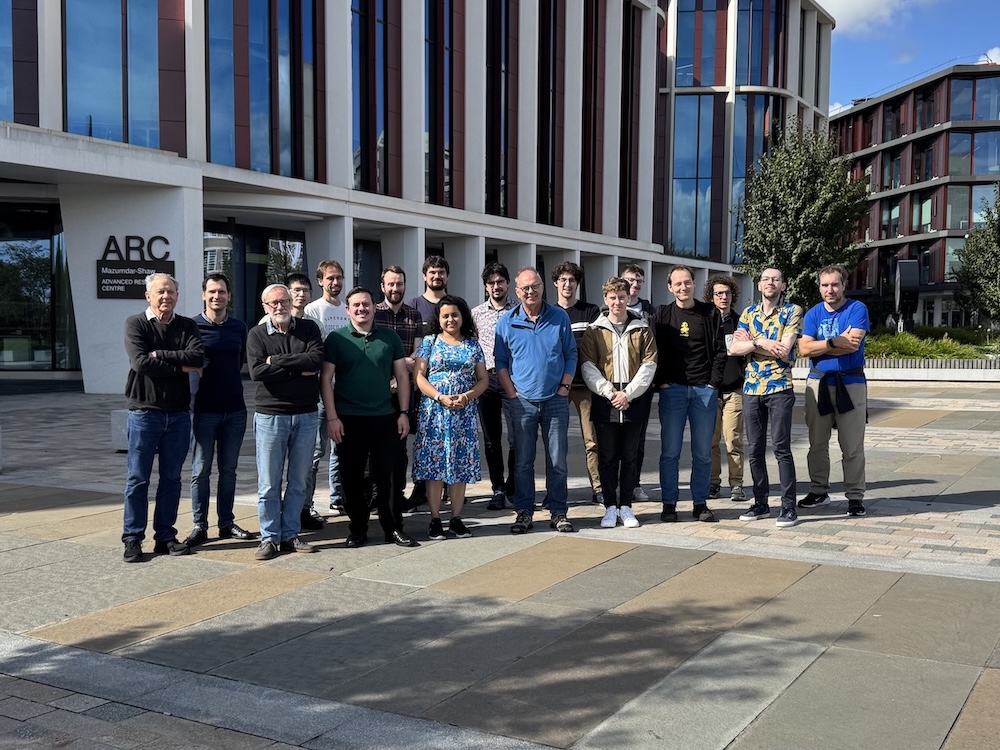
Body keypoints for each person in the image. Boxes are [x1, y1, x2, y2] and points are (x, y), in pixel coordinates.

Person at [321, 287, 417, 548]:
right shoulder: (336, 339)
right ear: (348, 309)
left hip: (386, 417)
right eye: (356, 305)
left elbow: (402, 377)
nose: (361, 309)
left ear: (374, 307)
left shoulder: (390, 338)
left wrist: (404, 413)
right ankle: (358, 528)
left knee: (389, 476)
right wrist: (332, 418)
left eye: (366, 304)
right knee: (351, 478)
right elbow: (326, 379)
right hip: (348, 420)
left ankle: (393, 527)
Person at [121, 273, 204, 563]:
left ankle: (165, 536)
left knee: (171, 479)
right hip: (145, 412)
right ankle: (132, 538)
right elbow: (140, 363)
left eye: (170, 291)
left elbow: (197, 357)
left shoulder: (187, 325)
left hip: (179, 414)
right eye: (160, 292)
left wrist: (162, 356)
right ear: (148, 296)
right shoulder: (136, 323)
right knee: (138, 479)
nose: (165, 296)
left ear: (177, 296)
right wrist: (179, 368)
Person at [495, 267, 578, 534]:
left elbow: (571, 354)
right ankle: (524, 512)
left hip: (555, 399)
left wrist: (565, 388)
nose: (530, 292)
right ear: (517, 292)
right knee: (523, 462)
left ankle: (558, 512)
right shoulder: (507, 321)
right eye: (525, 288)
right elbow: (501, 362)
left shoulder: (559, 317)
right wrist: (511, 394)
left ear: (543, 287)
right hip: (522, 403)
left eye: (535, 286)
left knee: (558, 461)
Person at [246, 284, 323, 560]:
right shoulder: (256, 334)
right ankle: (269, 537)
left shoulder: (309, 329)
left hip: (305, 414)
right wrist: (296, 368)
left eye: (283, 301)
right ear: (264, 307)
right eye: (273, 303)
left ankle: (290, 534)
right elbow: (257, 372)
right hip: (270, 416)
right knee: (268, 482)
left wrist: (276, 361)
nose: (279, 307)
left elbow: (315, 361)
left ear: (292, 303)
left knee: (298, 480)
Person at [184, 273, 256, 547]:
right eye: (212, 292)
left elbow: (239, 362)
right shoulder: (191, 326)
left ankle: (226, 522)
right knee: (200, 470)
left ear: (229, 296)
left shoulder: (239, 327)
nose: (217, 296)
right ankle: (199, 525)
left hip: (235, 410)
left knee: (229, 470)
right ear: (204, 295)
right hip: (203, 409)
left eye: (222, 292)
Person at [580, 277, 657, 529]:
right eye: (612, 297)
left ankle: (626, 506)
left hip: (634, 399)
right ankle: (610, 507)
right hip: (606, 399)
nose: (617, 302)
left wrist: (629, 394)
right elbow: (588, 365)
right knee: (608, 456)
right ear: (606, 299)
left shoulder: (642, 327)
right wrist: (610, 392)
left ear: (628, 297)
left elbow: (649, 364)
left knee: (631, 456)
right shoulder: (595, 329)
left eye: (621, 297)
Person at [652, 264, 727, 523]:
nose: (683, 287)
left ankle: (700, 503)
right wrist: (660, 382)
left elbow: (720, 350)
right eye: (677, 284)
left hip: (703, 391)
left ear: (695, 284)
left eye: (687, 282)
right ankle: (669, 503)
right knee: (670, 451)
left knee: (703, 452)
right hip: (672, 390)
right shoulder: (661, 315)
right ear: (670, 287)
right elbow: (654, 351)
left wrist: (712, 383)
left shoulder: (710, 313)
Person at [730, 268, 803, 528]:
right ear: (759, 285)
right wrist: (762, 342)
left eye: (776, 279)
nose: (770, 283)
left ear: (783, 285)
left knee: (782, 448)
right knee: (755, 450)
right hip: (751, 389)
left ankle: (788, 507)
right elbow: (734, 348)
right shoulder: (748, 313)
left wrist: (753, 342)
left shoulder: (792, 311)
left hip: (780, 388)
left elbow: (784, 349)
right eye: (765, 279)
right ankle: (760, 502)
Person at [413, 296, 489, 539]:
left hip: (463, 414)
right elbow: (419, 377)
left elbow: (483, 379)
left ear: (463, 316)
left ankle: (456, 518)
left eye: (454, 315)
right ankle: (435, 519)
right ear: (439, 318)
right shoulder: (429, 342)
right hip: (434, 413)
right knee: (435, 466)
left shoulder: (473, 345)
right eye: (445, 315)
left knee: (459, 465)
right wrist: (439, 397)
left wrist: (467, 396)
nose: (450, 320)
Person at [797, 265, 869, 518]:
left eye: (835, 284)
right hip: (818, 383)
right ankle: (818, 490)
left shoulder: (857, 309)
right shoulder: (813, 313)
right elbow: (803, 350)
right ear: (819, 288)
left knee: (851, 445)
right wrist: (832, 342)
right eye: (825, 285)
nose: (830, 290)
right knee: (817, 443)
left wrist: (819, 346)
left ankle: (855, 496)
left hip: (850, 383)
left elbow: (851, 346)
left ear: (844, 285)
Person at [551, 261, 603, 505]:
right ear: (555, 283)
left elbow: (595, 347)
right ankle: (555, 492)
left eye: (572, 280)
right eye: (563, 280)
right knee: (556, 442)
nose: (567, 284)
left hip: (584, 386)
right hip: (557, 386)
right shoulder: (549, 313)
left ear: (577, 283)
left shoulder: (590, 311)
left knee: (591, 440)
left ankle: (599, 488)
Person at [303, 260, 349, 527]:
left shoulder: (347, 309)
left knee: (340, 449)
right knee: (316, 451)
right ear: (320, 281)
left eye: (339, 277)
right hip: (322, 393)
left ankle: (337, 496)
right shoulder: (312, 310)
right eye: (330, 278)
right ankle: (306, 505)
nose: (336, 282)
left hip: (346, 391)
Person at [374, 265, 424, 511]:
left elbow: (418, 353)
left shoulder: (413, 315)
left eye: (399, 284)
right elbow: (372, 354)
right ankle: (375, 493)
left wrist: (400, 370)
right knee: (376, 444)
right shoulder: (373, 313)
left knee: (400, 445)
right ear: (382, 286)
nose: (395, 289)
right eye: (391, 284)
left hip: (405, 390)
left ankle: (398, 493)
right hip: (378, 390)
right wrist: (397, 366)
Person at [406, 255, 453, 507]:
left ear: (447, 276)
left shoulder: (454, 304)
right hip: (421, 385)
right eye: (432, 272)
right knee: (423, 438)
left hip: (452, 386)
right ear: (425, 276)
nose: (437, 276)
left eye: (441, 272)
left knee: (449, 438)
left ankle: (448, 486)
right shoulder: (414, 306)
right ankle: (421, 487)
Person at [470, 261, 517, 510]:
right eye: (491, 283)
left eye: (500, 282)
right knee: (491, 439)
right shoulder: (476, 313)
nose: (496, 286)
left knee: (516, 438)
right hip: (486, 380)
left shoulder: (519, 310)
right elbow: (472, 347)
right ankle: (497, 488)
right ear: (486, 286)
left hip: (512, 378)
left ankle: (513, 485)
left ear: (508, 284)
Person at [703, 274, 746, 503]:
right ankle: (713, 482)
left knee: (733, 440)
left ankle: (737, 484)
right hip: (710, 390)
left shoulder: (741, 322)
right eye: (719, 293)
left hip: (734, 389)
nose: (723, 297)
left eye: (727, 293)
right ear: (711, 296)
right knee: (711, 440)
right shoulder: (706, 321)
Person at [620, 263, 654, 502]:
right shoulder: (607, 310)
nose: (635, 285)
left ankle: (634, 484)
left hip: (642, 386)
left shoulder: (652, 312)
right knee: (612, 438)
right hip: (615, 385)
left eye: (639, 281)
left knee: (637, 439)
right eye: (630, 280)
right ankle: (611, 483)